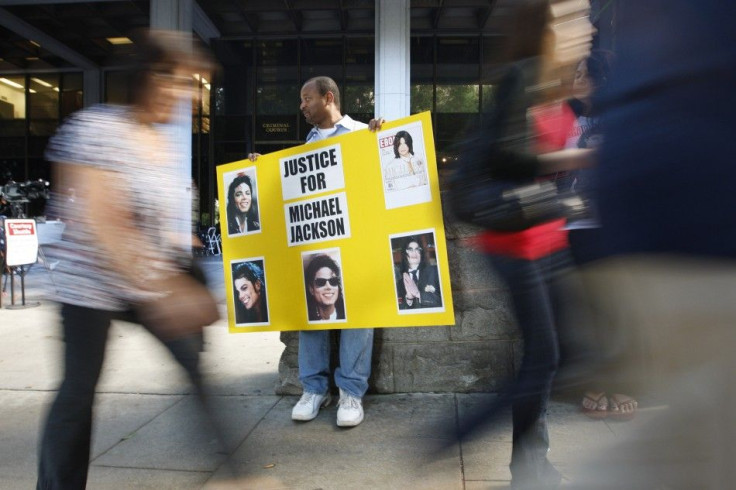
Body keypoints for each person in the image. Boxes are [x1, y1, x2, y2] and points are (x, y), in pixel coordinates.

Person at [35, 30, 233, 489]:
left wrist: (182, 251)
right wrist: (169, 290)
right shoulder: (96, 129)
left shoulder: (160, 145)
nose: (186, 97)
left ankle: (236, 476)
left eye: (192, 88)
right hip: (87, 282)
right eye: (183, 84)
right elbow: (103, 224)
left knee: (194, 363)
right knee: (78, 390)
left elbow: (155, 221)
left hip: (143, 279)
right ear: (152, 78)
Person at [567, 1, 736, 488]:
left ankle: (622, 389)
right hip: (638, 229)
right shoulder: (587, 110)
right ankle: (610, 386)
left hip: (675, 230)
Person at [450, 1, 593, 487]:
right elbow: (509, 157)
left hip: (548, 233)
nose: (586, 27)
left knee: (557, 354)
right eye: (574, 16)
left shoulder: (556, 86)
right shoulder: (524, 79)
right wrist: (576, 157)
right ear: (546, 28)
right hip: (517, 239)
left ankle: (531, 463)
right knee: (544, 356)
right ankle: (493, 451)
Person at [248, 75, 384, 427]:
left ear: (328, 98)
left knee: (360, 314)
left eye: (306, 98)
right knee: (313, 312)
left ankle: (351, 393)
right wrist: (262, 171)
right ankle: (315, 389)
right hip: (319, 242)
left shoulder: (361, 134)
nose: (302, 106)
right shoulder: (307, 143)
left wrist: (382, 137)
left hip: (357, 240)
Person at [395, 236, 441, 310]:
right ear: (404, 254)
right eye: (410, 249)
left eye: (417, 249)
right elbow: (398, 310)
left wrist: (418, 294)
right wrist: (409, 299)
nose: (414, 253)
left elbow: (443, 301)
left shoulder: (434, 272)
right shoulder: (400, 282)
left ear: (421, 253)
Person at [304, 253, 346, 322]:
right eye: (321, 282)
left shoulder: (347, 314)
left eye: (333, 281)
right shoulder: (306, 320)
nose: (328, 287)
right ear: (311, 289)